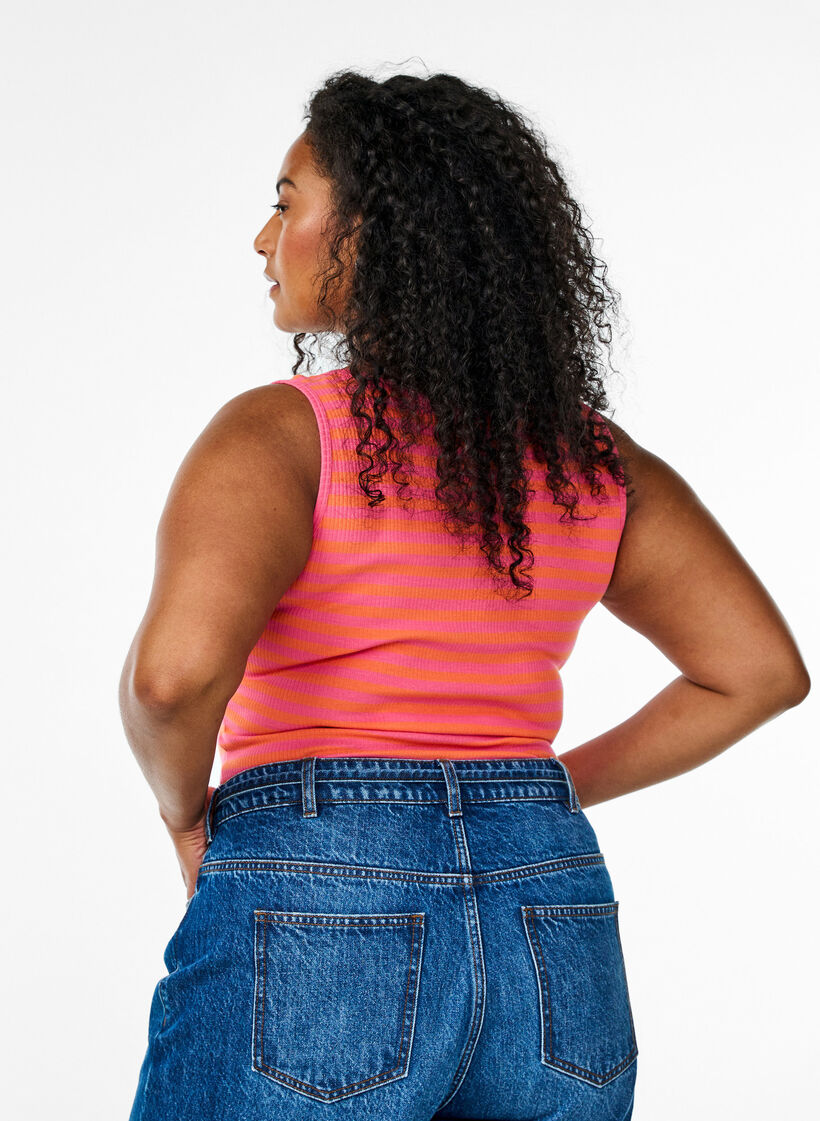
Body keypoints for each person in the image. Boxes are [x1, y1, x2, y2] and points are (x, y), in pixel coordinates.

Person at [121, 70, 810, 1121]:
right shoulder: (594, 461)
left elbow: (172, 679)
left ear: (373, 231)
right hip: (549, 906)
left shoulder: (277, 435)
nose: (264, 240)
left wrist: (182, 814)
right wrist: (532, 790)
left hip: (318, 889)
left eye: (285, 199)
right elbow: (758, 671)